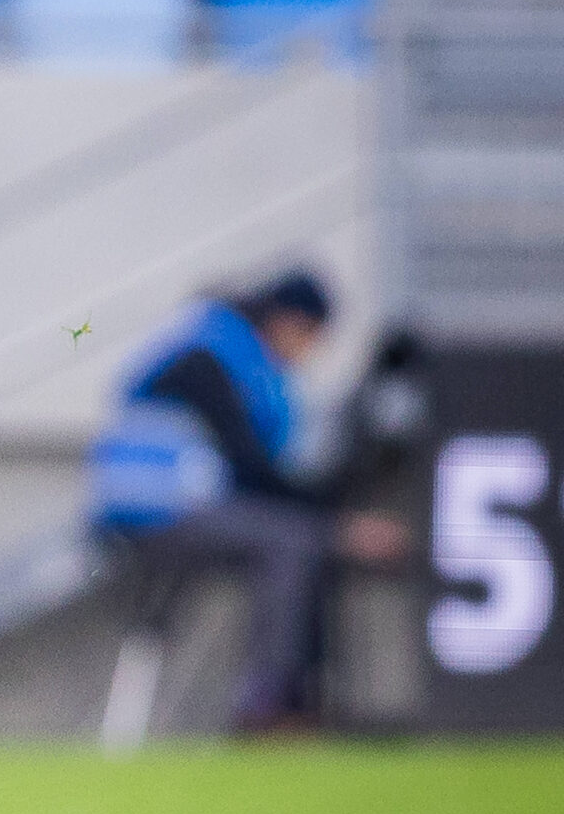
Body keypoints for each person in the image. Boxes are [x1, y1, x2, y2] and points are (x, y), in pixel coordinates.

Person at [87, 269, 397, 730]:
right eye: (311, 337)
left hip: (160, 507)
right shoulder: (211, 358)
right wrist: (339, 525)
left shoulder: (217, 344)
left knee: (302, 537)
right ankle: (270, 709)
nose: (308, 353)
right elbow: (250, 469)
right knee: (289, 541)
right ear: (289, 321)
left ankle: (301, 702)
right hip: (153, 514)